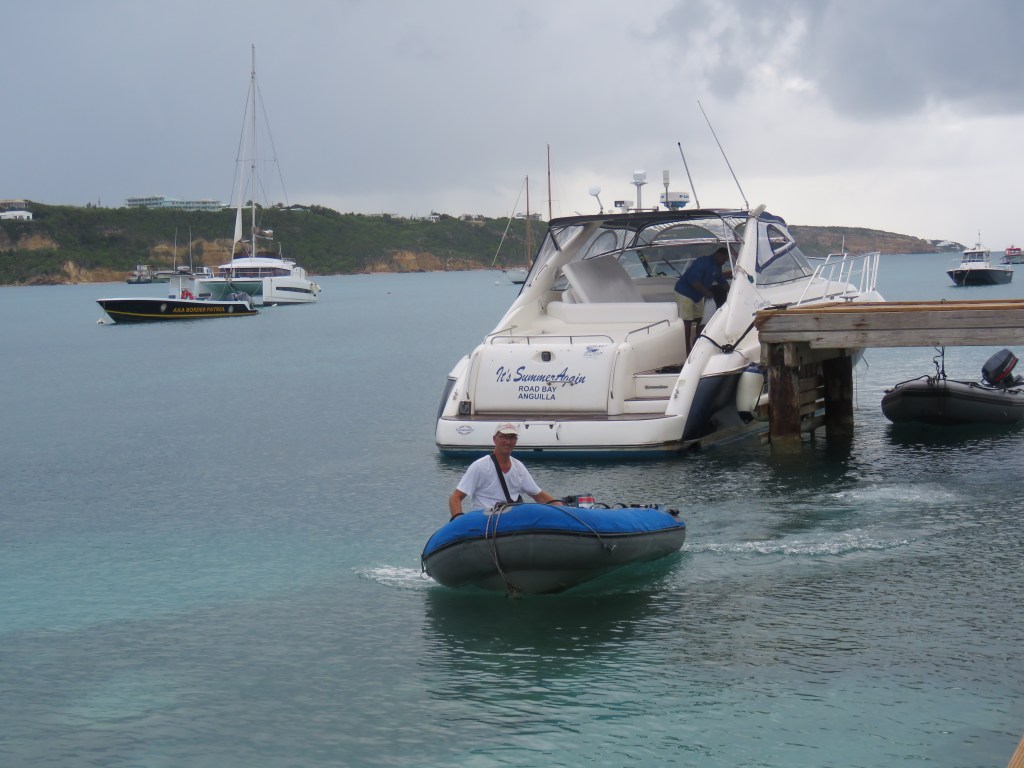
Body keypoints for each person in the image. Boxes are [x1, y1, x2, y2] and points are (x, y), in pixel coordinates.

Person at [448, 422, 562, 519]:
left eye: (512, 438)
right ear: (494, 439)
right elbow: (455, 497)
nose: (508, 442)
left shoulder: (519, 467)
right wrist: (458, 521)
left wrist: (563, 508)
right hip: (485, 522)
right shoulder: (479, 466)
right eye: (504, 437)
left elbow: (539, 496)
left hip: (510, 522)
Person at [674, 246, 730, 356]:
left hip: (698, 295)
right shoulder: (702, 263)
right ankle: (687, 349)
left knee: (700, 319)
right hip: (684, 292)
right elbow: (693, 280)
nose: (724, 262)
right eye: (724, 259)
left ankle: (698, 344)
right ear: (718, 255)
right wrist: (706, 292)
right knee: (688, 321)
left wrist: (732, 292)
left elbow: (721, 280)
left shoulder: (717, 266)